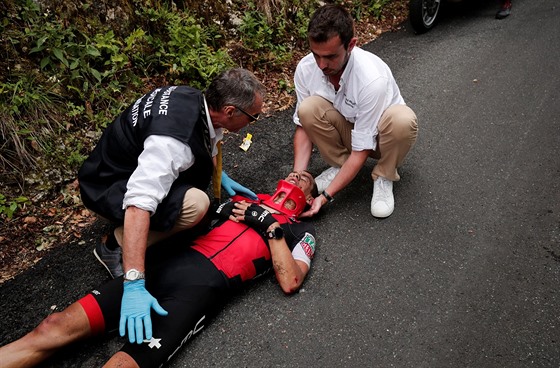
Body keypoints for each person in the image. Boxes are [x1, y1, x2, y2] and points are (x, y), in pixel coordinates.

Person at [0, 171, 318, 368]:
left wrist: (271, 228)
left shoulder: (300, 233)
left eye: (304, 178)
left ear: (308, 201)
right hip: (164, 267)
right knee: (52, 326)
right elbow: (185, 214)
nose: (295, 176)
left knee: (123, 365)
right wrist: (218, 205)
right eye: (292, 174)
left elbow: (290, 280)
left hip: (199, 292)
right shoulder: (241, 200)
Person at [77, 68, 265, 347]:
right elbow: (139, 203)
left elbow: (207, 140)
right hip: (106, 186)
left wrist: (219, 176)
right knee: (196, 207)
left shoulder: (194, 100)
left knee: (196, 198)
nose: (253, 122)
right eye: (253, 117)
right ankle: (112, 245)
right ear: (229, 110)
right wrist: (134, 283)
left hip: (117, 165)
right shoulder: (172, 142)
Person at [292, 4, 418, 219]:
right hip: (350, 130)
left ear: (351, 45)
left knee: (402, 120)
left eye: (330, 56)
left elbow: (362, 149)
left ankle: (383, 175)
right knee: (308, 108)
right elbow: (304, 128)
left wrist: (325, 197)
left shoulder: (371, 78)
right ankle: (339, 166)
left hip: (381, 139)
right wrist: (296, 177)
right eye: (316, 55)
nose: (321, 65)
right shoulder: (306, 68)